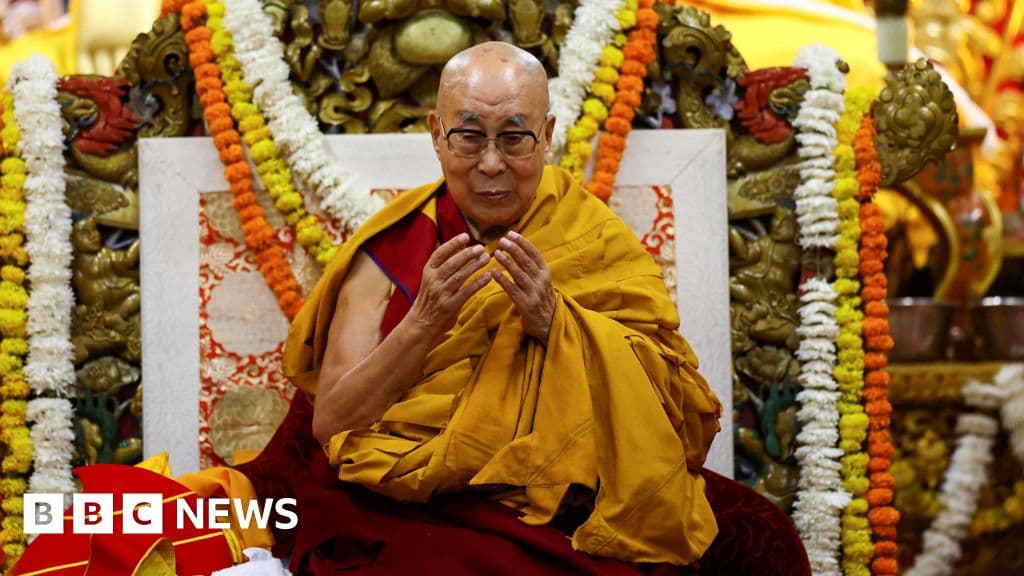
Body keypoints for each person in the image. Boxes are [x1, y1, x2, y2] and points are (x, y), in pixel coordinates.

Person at [238, 41, 810, 575]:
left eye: (514, 137)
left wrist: (557, 326)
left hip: (563, 494)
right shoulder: (388, 254)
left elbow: (668, 401)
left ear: (548, 133)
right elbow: (332, 423)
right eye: (469, 136)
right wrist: (424, 322)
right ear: (437, 135)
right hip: (412, 500)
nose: (491, 163)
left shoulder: (590, 238)